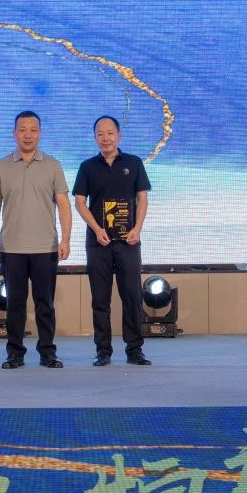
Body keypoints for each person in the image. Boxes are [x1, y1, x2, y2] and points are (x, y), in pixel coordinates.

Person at [0, 111, 71, 369]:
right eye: (22, 129)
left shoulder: (53, 165)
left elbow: (64, 205)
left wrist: (66, 239)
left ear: (39, 133)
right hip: (12, 248)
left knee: (45, 304)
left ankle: (47, 352)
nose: (27, 135)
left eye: (33, 130)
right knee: (15, 305)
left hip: (46, 247)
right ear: (14, 133)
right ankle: (15, 353)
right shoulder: (1, 167)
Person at [73, 116, 152, 366]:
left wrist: (137, 229)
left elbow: (142, 199)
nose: (105, 138)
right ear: (95, 137)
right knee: (100, 298)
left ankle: (134, 350)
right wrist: (97, 229)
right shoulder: (87, 167)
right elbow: (79, 202)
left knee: (132, 296)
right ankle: (103, 350)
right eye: (100, 134)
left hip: (129, 242)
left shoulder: (134, 163)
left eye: (110, 133)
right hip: (99, 242)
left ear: (118, 136)